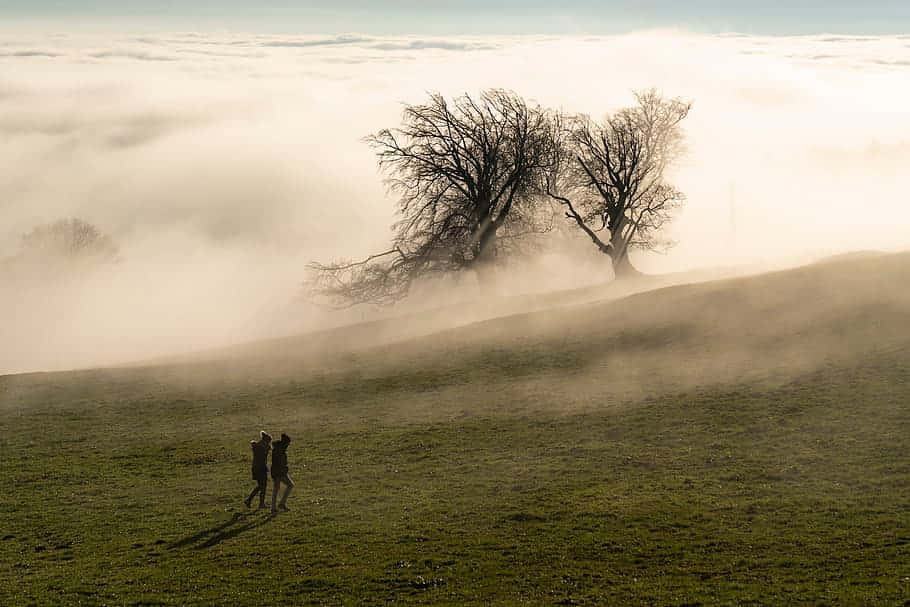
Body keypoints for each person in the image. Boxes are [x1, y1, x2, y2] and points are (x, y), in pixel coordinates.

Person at [244, 431, 271, 509]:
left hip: (256, 468)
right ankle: (260, 504)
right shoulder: (263, 448)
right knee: (263, 486)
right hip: (261, 468)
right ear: (266, 441)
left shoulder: (257, 446)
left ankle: (249, 500)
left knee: (261, 486)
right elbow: (266, 451)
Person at [270, 433, 294, 513]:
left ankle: (277, 506)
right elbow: (280, 463)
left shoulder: (278, 449)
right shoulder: (280, 450)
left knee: (277, 488)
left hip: (278, 472)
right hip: (279, 472)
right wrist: (285, 469)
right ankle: (278, 505)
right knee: (287, 486)